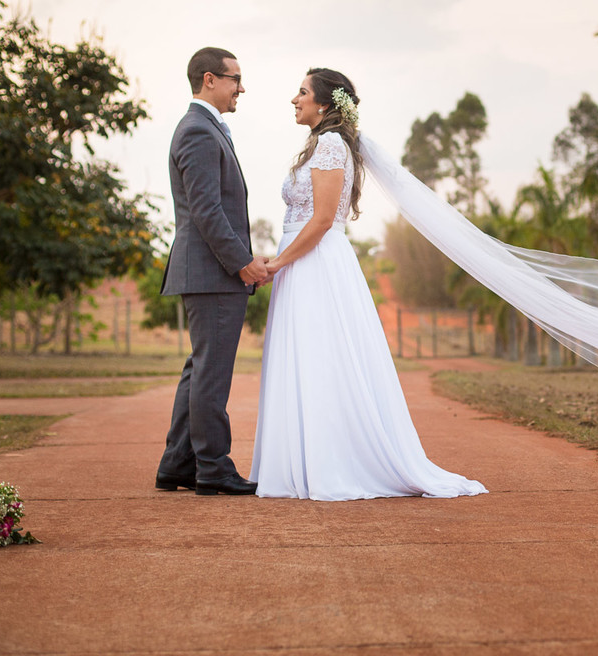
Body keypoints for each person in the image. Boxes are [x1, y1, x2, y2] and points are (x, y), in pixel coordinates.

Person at [249, 68, 486, 500]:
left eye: (301, 92)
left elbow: (322, 220)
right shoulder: (319, 145)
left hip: (313, 265)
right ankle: (301, 460)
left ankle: (331, 462)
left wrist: (278, 262)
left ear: (323, 104)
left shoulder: (330, 145)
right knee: (309, 357)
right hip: (305, 264)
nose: (294, 99)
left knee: (322, 358)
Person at [156, 47, 268, 497]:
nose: (242, 87)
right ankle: (213, 468)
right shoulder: (199, 131)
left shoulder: (203, 128)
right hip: (212, 273)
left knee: (199, 369)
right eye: (235, 79)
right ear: (209, 79)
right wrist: (242, 264)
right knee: (211, 373)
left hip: (206, 273)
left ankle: (177, 464)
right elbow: (206, 210)